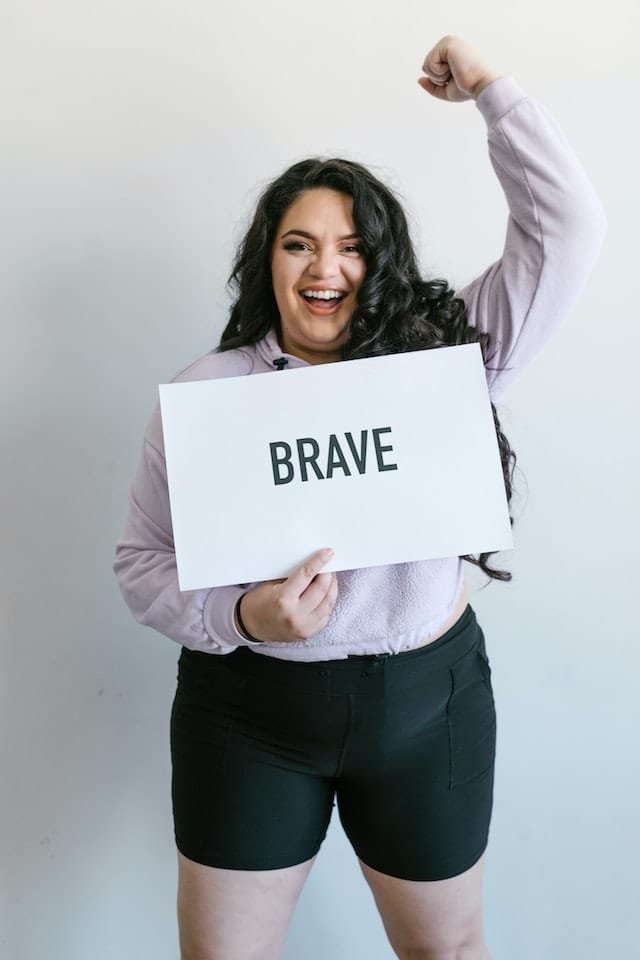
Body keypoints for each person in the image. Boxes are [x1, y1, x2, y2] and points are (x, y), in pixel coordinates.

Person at [114, 35, 606, 960]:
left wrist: (493, 92)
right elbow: (139, 564)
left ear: (379, 262)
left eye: (350, 247)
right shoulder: (206, 394)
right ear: (268, 260)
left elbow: (570, 231)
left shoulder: (449, 360)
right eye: (299, 244)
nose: (324, 269)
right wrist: (242, 614)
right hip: (248, 712)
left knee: (448, 955)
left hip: (429, 707)